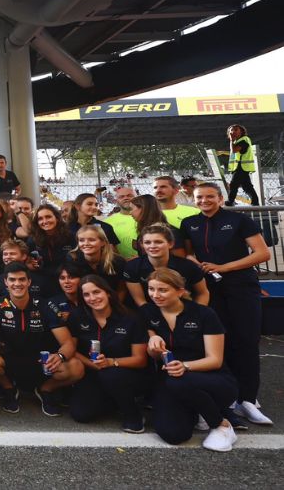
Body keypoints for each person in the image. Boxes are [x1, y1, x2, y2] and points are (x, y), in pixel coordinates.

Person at [183, 182, 272, 426]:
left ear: (220, 198)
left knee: (247, 341)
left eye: (210, 196)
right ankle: (228, 397)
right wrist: (195, 262)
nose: (204, 201)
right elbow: (187, 253)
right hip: (210, 289)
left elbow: (262, 253)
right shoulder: (189, 223)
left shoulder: (239, 220)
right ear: (194, 200)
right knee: (220, 342)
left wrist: (224, 267)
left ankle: (248, 399)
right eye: (199, 197)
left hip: (242, 287)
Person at [144, 268, 240, 451]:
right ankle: (197, 410)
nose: (155, 295)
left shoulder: (204, 314)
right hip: (171, 381)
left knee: (177, 380)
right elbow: (153, 352)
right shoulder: (147, 312)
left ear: (180, 291)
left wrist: (185, 366)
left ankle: (221, 424)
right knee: (173, 435)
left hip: (211, 379)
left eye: (163, 290)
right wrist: (152, 342)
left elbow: (215, 360)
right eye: (151, 289)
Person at [0, 262, 85, 416]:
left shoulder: (45, 306)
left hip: (41, 363)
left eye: (22, 279)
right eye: (12, 280)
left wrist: (59, 356)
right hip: (9, 361)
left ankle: (45, 390)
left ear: (29, 282)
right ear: (6, 282)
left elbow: (68, 344)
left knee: (76, 367)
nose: (17, 284)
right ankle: (9, 388)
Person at [67, 275, 148, 433]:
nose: (92, 298)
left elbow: (140, 360)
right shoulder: (77, 317)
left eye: (97, 292)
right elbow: (72, 349)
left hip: (123, 372)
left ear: (108, 293)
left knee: (110, 375)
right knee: (81, 414)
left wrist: (111, 362)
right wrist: (93, 365)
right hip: (92, 371)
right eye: (86, 294)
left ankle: (133, 414)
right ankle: (114, 401)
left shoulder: (130, 318)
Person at [123, 224, 208, 307]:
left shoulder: (188, 266)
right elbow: (141, 302)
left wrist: (197, 313)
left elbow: (203, 293)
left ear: (170, 244)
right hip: (149, 312)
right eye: (147, 242)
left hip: (184, 311)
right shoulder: (133, 267)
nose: (152, 246)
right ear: (142, 245)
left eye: (158, 242)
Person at [66, 226, 127, 304]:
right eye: (81, 240)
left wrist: (116, 305)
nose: (86, 244)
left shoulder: (118, 261)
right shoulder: (72, 259)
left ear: (103, 242)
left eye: (91, 240)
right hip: (83, 303)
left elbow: (122, 288)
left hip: (112, 302)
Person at [24, 204, 76, 276]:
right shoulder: (33, 239)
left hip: (67, 276)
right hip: (41, 276)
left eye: (48, 217)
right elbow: (29, 261)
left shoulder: (70, 236)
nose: (45, 221)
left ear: (57, 218)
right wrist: (30, 265)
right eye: (40, 219)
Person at [226, 124, 259, 205]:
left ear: (241, 132)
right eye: (231, 130)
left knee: (234, 185)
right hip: (241, 167)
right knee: (247, 186)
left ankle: (230, 201)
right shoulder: (237, 141)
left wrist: (231, 140)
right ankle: (255, 202)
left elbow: (234, 150)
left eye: (236, 130)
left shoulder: (244, 140)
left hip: (241, 167)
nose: (233, 131)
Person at [104, 186, 139, 260]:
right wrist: (121, 260)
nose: (126, 198)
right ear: (116, 200)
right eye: (121, 197)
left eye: (130, 195)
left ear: (137, 198)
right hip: (119, 263)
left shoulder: (148, 217)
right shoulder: (107, 222)